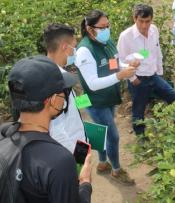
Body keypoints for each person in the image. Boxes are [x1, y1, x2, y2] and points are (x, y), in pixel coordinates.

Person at [7, 55, 92, 203]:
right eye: (63, 92)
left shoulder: (4, 138)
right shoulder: (60, 161)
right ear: (52, 100)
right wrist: (85, 184)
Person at [75, 9, 137, 185]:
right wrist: (120, 75)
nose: (106, 30)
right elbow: (93, 83)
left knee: (102, 129)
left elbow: (114, 64)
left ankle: (102, 162)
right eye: (102, 27)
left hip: (110, 95)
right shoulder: (84, 51)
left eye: (107, 26)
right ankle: (116, 169)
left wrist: (127, 65)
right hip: (95, 100)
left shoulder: (107, 41)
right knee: (113, 136)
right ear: (89, 28)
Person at [117, 4, 175, 136]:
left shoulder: (154, 30)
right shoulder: (126, 36)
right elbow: (119, 61)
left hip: (154, 76)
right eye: (141, 21)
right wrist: (133, 79)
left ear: (152, 19)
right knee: (138, 111)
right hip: (138, 79)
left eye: (148, 21)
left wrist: (160, 73)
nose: (144, 25)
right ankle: (141, 138)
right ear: (135, 18)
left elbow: (157, 52)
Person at [43, 23, 86, 153]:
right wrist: (79, 158)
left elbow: (72, 105)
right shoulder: (56, 81)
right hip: (69, 149)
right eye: (74, 47)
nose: (75, 51)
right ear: (64, 47)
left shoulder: (49, 72)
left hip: (75, 141)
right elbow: (56, 131)